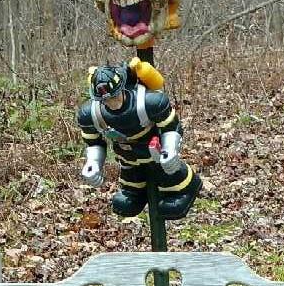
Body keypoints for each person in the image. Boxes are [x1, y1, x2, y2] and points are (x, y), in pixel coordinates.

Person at [76, 62, 202, 221]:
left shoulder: (148, 103)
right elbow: (94, 143)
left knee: (168, 172)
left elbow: (171, 127)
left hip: (154, 152)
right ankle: (134, 193)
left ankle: (184, 188)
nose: (112, 103)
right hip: (127, 157)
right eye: (105, 101)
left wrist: (170, 149)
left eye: (114, 97)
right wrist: (93, 163)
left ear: (122, 89)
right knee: (130, 180)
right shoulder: (92, 114)